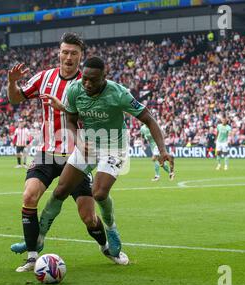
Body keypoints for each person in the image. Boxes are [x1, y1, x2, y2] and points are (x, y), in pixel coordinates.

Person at [7, 33, 125, 272]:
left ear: (81, 57)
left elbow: (99, 116)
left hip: (77, 155)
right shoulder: (44, 77)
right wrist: (12, 82)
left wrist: (67, 110)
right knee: (29, 196)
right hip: (46, 151)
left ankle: (107, 248)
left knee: (88, 216)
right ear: (58, 53)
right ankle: (32, 256)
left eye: (74, 53)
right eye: (65, 52)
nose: (69, 57)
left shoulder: (89, 83)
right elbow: (16, 99)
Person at [40, 56, 174, 266]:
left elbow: (148, 118)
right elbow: (70, 119)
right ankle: (37, 238)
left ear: (104, 76)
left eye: (93, 80)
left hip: (114, 147)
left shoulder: (119, 93)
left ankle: (111, 229)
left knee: (99, 193)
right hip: (87, 146)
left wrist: (162, 149)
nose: (87, 84)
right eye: (85, 78)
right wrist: (76, 139)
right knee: (60, 191)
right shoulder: (75, 90)